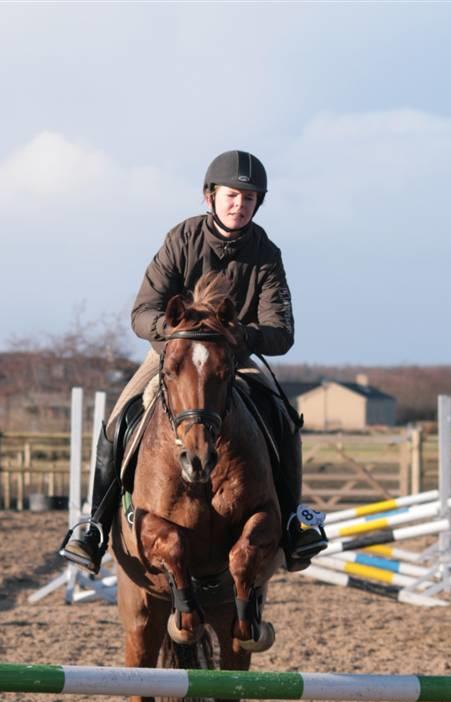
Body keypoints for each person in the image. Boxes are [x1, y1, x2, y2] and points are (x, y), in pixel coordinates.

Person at [60, 149, 327, 574]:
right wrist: (179, 338)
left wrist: (237, 337)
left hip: (233, 360)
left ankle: (295, 524)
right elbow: (142, 312)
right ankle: (93, 526)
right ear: (210, 198)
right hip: (175, 358)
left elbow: (281, 331)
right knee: (118, 421)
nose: (239, 205)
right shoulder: (181, 239)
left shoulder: (266, 253)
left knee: (282, 417)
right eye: (231, 196)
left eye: (249, 198)